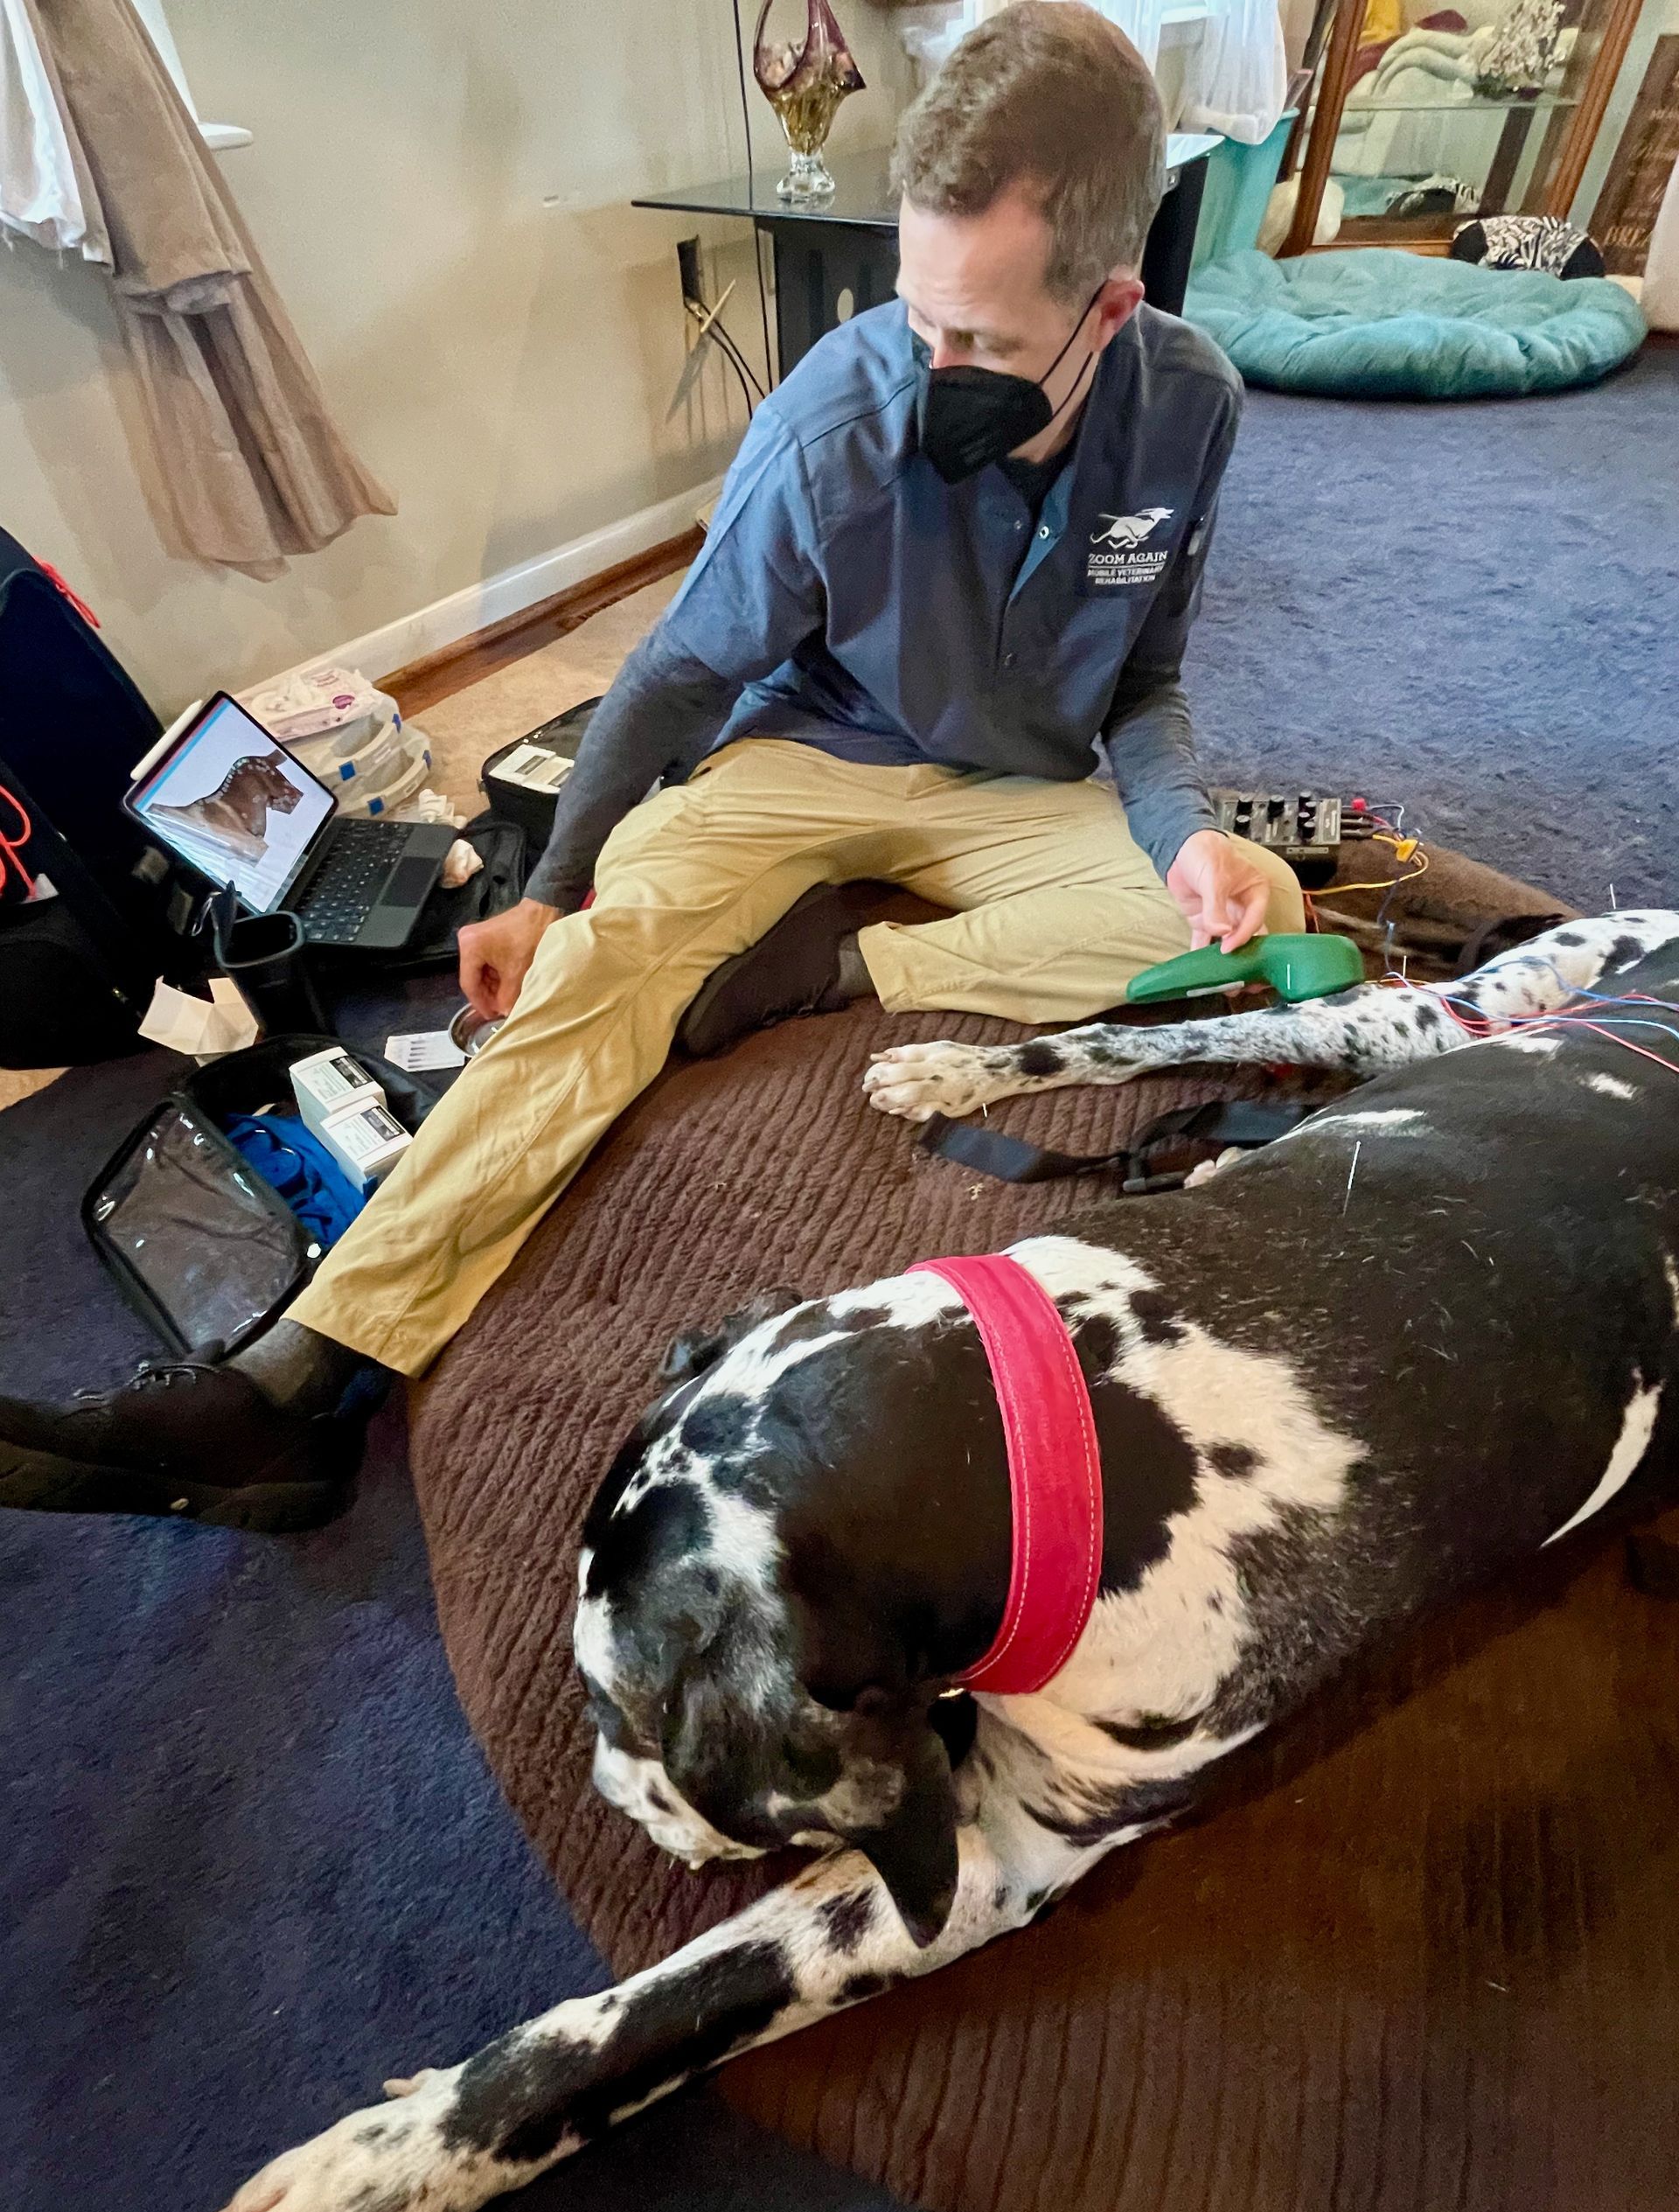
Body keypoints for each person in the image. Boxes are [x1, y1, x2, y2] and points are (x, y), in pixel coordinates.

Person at [0, 1, 1301, 1529]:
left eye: (985, 341)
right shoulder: (832, 424)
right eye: (916, 311)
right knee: (603, 957)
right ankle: (295, 1377)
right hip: (817, 752)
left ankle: (846, 965)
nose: (930, 359)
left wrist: (1183, 835)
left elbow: (1145, 681)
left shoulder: (1192, 402)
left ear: (1110, 304)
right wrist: (553, 889)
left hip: (1022, 786)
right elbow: (677, 670)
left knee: (1247, 904)